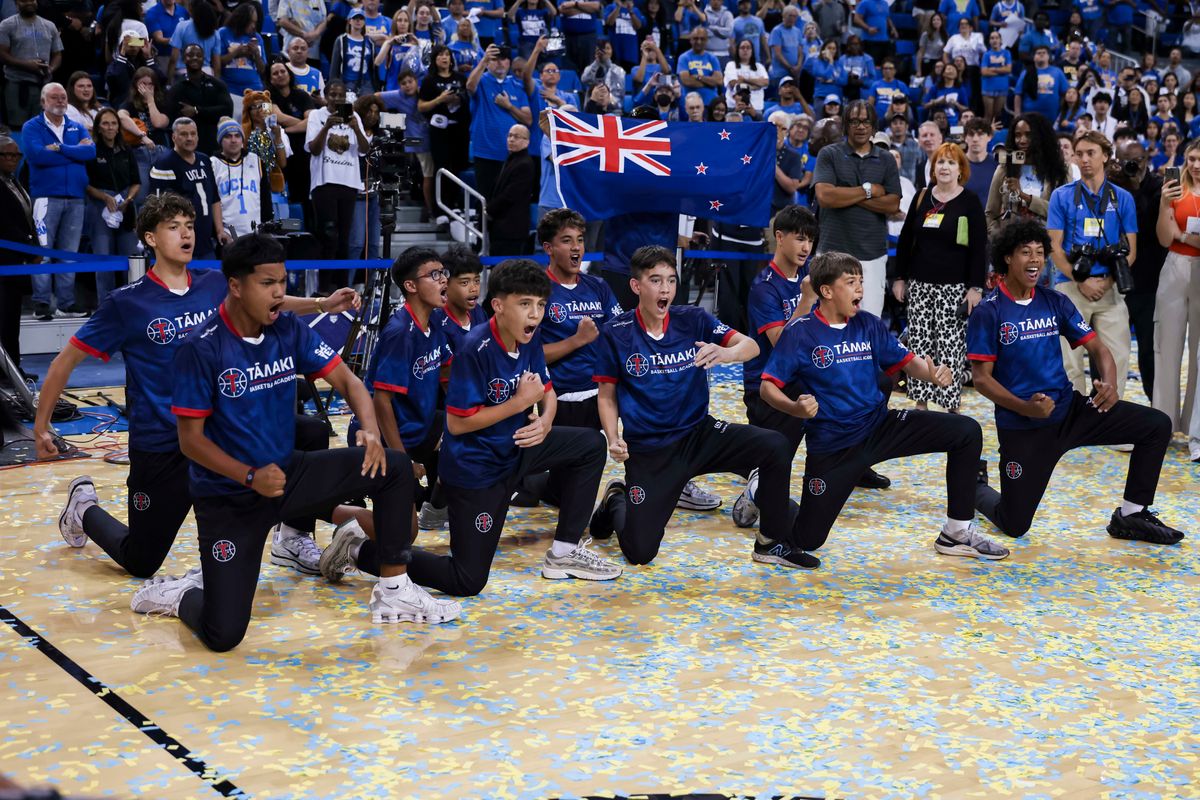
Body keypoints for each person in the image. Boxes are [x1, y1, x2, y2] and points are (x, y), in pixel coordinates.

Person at [136, 232, 460, 648]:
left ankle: (394, 589)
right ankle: (180, 595)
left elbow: (348, 381)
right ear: (236, 286)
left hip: (287, 474)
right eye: (267, 283)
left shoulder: (289, 328)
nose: (278, 293)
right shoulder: (200, 347)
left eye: (282, 282)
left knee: (393, 468)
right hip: (229, 495)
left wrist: (370, 430)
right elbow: (191, 442)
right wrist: (249, 476)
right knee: (223, 634)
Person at [39, 195, 360, 582]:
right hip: (163, 444)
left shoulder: (213, 283)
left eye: (189, 226)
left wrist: (322, 304)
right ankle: (83, 509)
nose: (185, 234)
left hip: (220, 431)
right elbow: (64, 362)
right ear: (150, 238)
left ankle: (292, 536)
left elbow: (269, 301)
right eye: (173, 227)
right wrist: (42, 427)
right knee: (142, 559)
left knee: (309, 431)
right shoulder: (126, 303)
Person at [760, 251, 1008, 563]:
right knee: (808, 539)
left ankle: (956, 532)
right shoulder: (799, 332)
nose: (860, 289)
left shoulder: (868, 324)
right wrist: (794, 408)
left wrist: (931, 374)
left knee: (966, 432)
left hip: (880, 427)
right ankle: (760, 496)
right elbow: (768, 387)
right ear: (827, 291)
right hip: (835, 446)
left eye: (861, 281)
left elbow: (907, 362)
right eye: (851, 282)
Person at [405, 259, 621, 596]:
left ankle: (564, 552)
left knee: (591, 445)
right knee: (467, 580)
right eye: (525, 304)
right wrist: (520, 404)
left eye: (541, 304)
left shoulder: (530, 338)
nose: (535, 314)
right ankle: (364, 550)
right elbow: (457, 424)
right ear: (498, 305)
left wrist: (546, 421)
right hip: (478, 468)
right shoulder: (474, 349)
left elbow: (546, 390)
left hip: (517, 447)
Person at [587, 245, 810, 568]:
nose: (665, 289)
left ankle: (770, 543)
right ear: (636, 286)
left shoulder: (692, 318)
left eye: (671, 280)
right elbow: (607, 394)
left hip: (700, 434)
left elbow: (749, 346)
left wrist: (726, 353)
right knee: (640, 552)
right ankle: (617, 498)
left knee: (774, 445)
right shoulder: (616, 333)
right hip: (652, 450)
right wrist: (613, 437)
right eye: (655, 281)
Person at [969, 219, 1184, 545]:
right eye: (1025, 252)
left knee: (1155, 425)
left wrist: (1109, 385)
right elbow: (982, 380)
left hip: (1070, 412)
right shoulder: (989, 311)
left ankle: (1131, 515)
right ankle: (974, 485)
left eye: (1040, 252)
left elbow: (1098, 349)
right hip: (1024, 427)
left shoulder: (1054, 301)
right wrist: (1026, 408)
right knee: (1014, 523)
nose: (1035, 259)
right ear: (1007, 258)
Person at [731, 204, 818, 528]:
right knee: (774, 461)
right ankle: (757, 485)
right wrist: (807, 300)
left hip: (804, 376)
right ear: (779, 237)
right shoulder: (765, 286)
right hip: (768, 388)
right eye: (799, 238)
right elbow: (782, 344)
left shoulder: (810, 277)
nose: (806, 247)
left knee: (871, 383)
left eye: (810, 240)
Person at [362, 247, 453, 533]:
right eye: (434, 275)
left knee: (472, 433)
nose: (444, 279)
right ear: (411, 286)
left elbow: (448, 374)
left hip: (419, 426)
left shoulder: (435, 320)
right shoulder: (400, 332)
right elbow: (381, 402)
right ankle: (347, 532)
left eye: (443, 272)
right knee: (404, 534)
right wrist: (403, 461)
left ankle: (437, 505)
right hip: (387, 437)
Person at [895, 142, 987, 413]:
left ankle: (950, 404)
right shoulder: (922, 196)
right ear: (933, 168)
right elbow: (905, 241)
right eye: (940, 162)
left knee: (950, 346)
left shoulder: (969, 201)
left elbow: (979, 248)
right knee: (919, 342)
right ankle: (921, 403)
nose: (945, 167)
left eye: (951, 162)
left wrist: (975, 287)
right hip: (919, 284)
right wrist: (899, 277)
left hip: (954, 287)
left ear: (961, 169)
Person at [1047, 131, 1137, 405]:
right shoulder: (1061, 196)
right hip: (1071, 285)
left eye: (1091, 153)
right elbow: (1054, 247)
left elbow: (1131, 251)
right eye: (1080, 154)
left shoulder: (1122, 198)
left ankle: (1110, 414)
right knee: (1069, 361)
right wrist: (1080, 281)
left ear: (1106, 156)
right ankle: (1073, 418)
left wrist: (1107, 282)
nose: (1084, 159)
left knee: (1118, 356)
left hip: (1109, 286)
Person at [812, 99, 902, 318]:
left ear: (873, 126)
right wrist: (870, 190)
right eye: (854, 121)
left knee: (869, 322)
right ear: (845, 125)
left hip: (872, 255)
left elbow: (892, 204)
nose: (861, 126)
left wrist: (845, 193)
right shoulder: (829, 154)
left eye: (866, 121)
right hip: (832, 253)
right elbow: (825, 197)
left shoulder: (886, 159)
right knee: (830, 321)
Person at [23, 82, 95, 321]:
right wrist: (73, 152)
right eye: (54, 97)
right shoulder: (31, 127)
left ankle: (66, 302)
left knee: (69, 253)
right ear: (43, 101)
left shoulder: (76, 126)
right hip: (45, 197)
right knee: (43, 252)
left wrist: (59, 148)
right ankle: (42, 302)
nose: (60, 101)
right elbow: (37, 156)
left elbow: (90, 153)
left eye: (63, 97)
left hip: (75, 197)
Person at [1154, 138, 1200, 458]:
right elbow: (1163, 237)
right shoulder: (1174, 190)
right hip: (1174, 267)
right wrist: (1163, 205)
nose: (1196, 165)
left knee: (1199, 355)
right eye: (1192, 158)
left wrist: (1182, 234)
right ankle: (1163, 425)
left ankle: (1196, 431)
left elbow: (1176, 234)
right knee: (1166, 348)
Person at [1110, 139, 1162, 406]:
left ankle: (1158, 409)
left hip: (1151, 284)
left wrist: (1134, 189)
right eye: (1128, 161)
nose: (1135, 165)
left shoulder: (1159, 187)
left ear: (1147, 159)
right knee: (1110, 352)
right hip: (1114, 283)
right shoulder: (1110, 189)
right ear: (1117, 161)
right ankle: (1105, 412)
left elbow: (1149, 228)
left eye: (1139, 160)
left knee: (1150, 353)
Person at [305, 81, 367, 275]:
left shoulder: (354, 116)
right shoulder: (316, 115)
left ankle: (342, 285)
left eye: (341, 95)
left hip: (349, 182)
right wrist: (326, 127)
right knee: (327, 235)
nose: (337, 98)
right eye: (333, 94)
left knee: (344, 238)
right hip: (324, 183)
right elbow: (314, 149)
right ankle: (325, 286)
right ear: (326, 96)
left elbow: (365, 150)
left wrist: (356, 129)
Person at [150, 117, 230, 259]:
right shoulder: (164, 163)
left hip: (205, 241)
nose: (189, 138)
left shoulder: (204, 160)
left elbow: (214, 198)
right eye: (184, 134)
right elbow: (159, 208)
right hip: (179, 242)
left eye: (193, 134)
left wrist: (219, 230)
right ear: (174, 137)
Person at [86, 108, 141, 301]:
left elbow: (136, 182)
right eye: (105, 123)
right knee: (103, 259)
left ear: (118, 127)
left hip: (125, 205)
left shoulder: (126, 150)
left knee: (133, 258)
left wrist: (129, 199)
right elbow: (85, 184)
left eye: (113, 123)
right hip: (99, 206)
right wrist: (103, 197)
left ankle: (134, 302)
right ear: (98, 128)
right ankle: (105, 304)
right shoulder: (91, 151)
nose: (110, 127)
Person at [985, 113, 1069, 237]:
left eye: (1029, 135)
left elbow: (1062, 212)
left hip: (1046, 242)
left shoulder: (1058, 170)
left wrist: (1024, 196)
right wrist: (998, 239)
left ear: (1041, 136)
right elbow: (991, 212)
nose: (1022, 140)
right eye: (1017, 135)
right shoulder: (1005, 168)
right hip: (1012, 243)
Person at [467, 44, 532, 201]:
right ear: (488, 62)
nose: (500, 63)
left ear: (509, 62)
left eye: (503, 59)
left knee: (507, 199)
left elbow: (527, 119)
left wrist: (509, 106)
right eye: (495, 59)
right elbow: (469, 86)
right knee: (485, 199)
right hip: (485, 151)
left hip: (511, 153)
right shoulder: (482, 81)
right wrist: (484, 60)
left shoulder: (517, 86)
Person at [0, 136, 37, 379]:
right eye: (7, 155)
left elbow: (26, 219)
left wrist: (34, 247)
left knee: (11, 321)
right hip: (5, 261)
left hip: (17, 261)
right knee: (4, 320)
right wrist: (30, 247)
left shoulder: (15, 181)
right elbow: (4, 225)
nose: (13, 159)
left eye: (16, 155)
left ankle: (13, 369)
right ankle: (6, 372)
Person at [0, 0, 63, 128]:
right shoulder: (6, 25)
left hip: (44, 86)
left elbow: (57, 54)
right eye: (24, 0)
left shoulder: (49, 25)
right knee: (18, 128)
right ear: (16, 3)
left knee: (42, 128)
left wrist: (50, 69)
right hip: (17, 85)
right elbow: (2, 54)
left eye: (32, 0)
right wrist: (27, 65)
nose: (29, 3)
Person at [167, 44, 234, 158]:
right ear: (184, 59)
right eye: (190, 55)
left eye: (198, 55)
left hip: (213, 145)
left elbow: (227, 111)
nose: (195, 58)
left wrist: (197, 110)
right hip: (186, 148)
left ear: (204, 58)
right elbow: (172, 118)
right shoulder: (176, 88)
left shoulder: (217, 84)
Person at [212, 117, 264, 237]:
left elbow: (265, 198)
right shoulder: (212, 164)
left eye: (237, 136)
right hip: (228, 234)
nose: (233, 140)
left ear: (242, 140)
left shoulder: (255, 160)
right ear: (220, 141)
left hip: (255, 232)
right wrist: (218, 232)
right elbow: (212, 202)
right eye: (228, 136)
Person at [962, 117, 995, 207]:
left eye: (980, 134)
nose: (975, 139)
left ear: (989, 137)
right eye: (971, 134)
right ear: (965, 138)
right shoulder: (956, 164)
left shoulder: (998, 165)